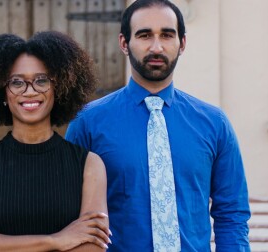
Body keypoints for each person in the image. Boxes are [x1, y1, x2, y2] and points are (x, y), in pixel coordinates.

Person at [65, 0, 251, 251]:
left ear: (182, 43)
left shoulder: (214, 124)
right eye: (144, 35)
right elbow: (67, 212)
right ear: (124, 43)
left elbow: (232, 214)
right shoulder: (87, 122)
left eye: (167, 35)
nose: (156, 46)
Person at [0, 31, 110, 251]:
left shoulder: (89, 165)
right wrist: (57, 240)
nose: (30, 91)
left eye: (41, 80)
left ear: (59, 88)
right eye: (17, 82)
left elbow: (92, 248)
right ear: (2, 92)